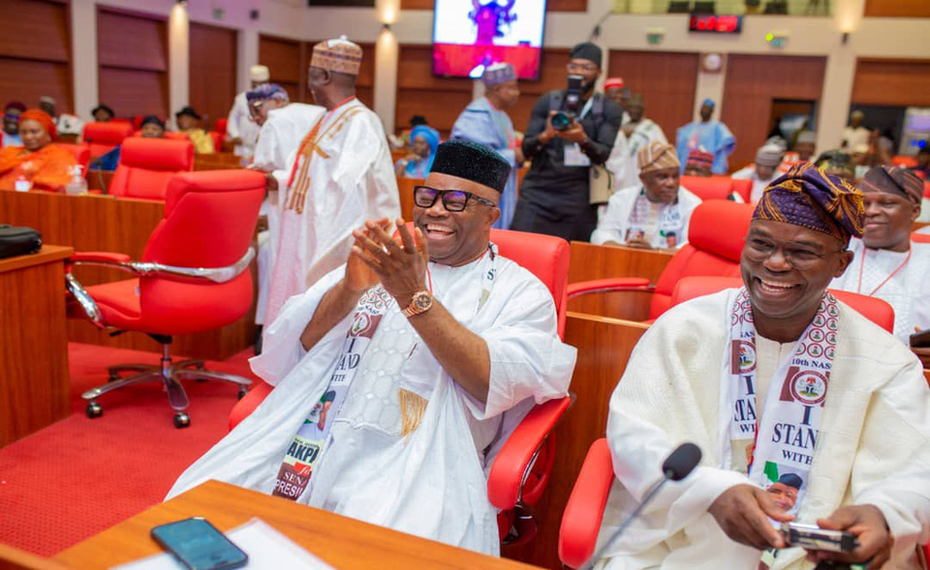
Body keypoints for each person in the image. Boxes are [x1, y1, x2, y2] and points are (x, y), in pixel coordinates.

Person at [166, 140, 577, 556]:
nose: (435, 210)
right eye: (428, 196)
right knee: (199, 513)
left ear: (492, 213)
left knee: (368, 554)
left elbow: (492, 381)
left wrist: (415, 298)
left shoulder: (520, 291)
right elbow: (296, 351)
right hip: (315, 429)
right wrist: (348, 289)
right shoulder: (388, 256)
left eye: (456, 201)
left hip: (421, 456)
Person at [596, 163, 930, 569]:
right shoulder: (683, 330)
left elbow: (918, 470)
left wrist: (883, 514)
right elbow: (634, 435)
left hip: (824, 556)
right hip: (691, 544)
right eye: (761, 245)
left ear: (840, 264)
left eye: (801, 252)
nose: (774, 263)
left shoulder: (886, 361)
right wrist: (710, 491)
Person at [264, 36, 400, 324]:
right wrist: (280, 180)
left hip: (331, 239)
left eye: (312, 77)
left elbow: (350, 197)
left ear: (325, 75)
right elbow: (312, 174)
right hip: (308, 229)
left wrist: (330, 255)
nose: (310, 86)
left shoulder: (360, 122)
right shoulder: (329, 117)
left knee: (323, 319)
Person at [510, 41, 623, 242]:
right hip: (537, 193)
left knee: (569, 261)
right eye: (573, 66)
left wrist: (583, 139)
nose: (578, 72)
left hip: (578, 197)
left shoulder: (608, 109)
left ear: (599, 72)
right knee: (519, 249)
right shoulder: (549, 101)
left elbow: (602, 154)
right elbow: (526, 150)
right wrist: (545, 135)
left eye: (586, 67)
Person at [247, 83, 326, 335]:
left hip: (287, 206)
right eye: (250, 111)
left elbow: (263, 172)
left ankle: (273, 331)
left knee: (275, 256)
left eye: (258, 107)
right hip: (320, 208)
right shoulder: (320, 114)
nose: (255, 116)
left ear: (279, 101)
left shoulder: (275, 121)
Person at [830, 165, 930, 342]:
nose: (871, 211)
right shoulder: (834, 251)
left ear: (915, 212)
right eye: (865, 203)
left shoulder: (926, 262)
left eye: (887, 203)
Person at [450, 62, 522, 229]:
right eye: (512, 88)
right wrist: (514, 155)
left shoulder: (502, 115)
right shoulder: (476, 114)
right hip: (479, 191)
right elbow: (475, 156)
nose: (517, 93)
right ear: (496, 89)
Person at [592, 141, 701, 250]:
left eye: (675, 176)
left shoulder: (693, 204)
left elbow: (691, 246)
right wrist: (625, 250)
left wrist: (654, 253)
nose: (671, 183)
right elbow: (602, 233)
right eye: (663, 177)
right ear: (643, 179)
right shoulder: (622, 199)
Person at [0, 109, 76, 192]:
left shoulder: (59, 156)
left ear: (48, 133)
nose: (28, 137)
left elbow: (53, 186)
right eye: (23, 132)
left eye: (34, 132)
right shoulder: (9, 151)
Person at [676, 99, 735, 175]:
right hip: (688, 169)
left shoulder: (717, 127)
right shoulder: (690, 127)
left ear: (712, 111)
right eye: (703, 108)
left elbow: (727, 141)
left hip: (707, 168)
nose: (704, 110)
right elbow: (681, 144)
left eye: (707, 108)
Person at [92, 115, 165, 172]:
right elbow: (100, 163)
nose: (149, 132)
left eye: (154, 129)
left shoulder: (167, 151)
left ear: (163, 133)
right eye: (146, 128)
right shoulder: (128, 147)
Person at [226, 64, 269, 158]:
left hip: (262, 146)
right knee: (241, 171)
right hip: (242, 146)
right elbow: (233, 118)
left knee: (259, 170)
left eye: (261, 83)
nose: (257, 86)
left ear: (267, 83)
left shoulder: (271, 100)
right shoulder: (241, 98)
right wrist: (235, 135)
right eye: (255, 83)